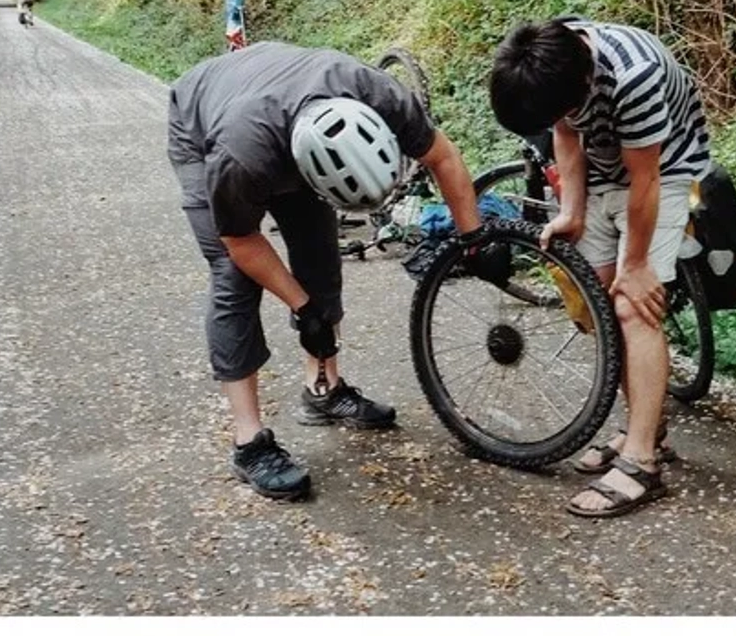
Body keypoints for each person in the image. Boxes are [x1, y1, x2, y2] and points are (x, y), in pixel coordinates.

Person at [168, 41, 497, 501]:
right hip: (203, 118)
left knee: (320, 256)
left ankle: (323, 390)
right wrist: (303, 309)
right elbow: (241, 242)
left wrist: (473, 241)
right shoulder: (241, 156)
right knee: (233, 280)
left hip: (279, 104)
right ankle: (249, 443)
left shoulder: (378, 94)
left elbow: (443, 157)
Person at [490, 17, 710, 517]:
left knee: (633, 306)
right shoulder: (551, 60)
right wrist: (572, 209)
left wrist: (635, 265)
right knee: (596, 305)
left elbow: (647, 179)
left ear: (585, 84)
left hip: (664, 171)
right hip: (605, 166)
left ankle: (642, 464)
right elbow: (566, 134)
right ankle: (646, 428)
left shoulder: (637, 75)